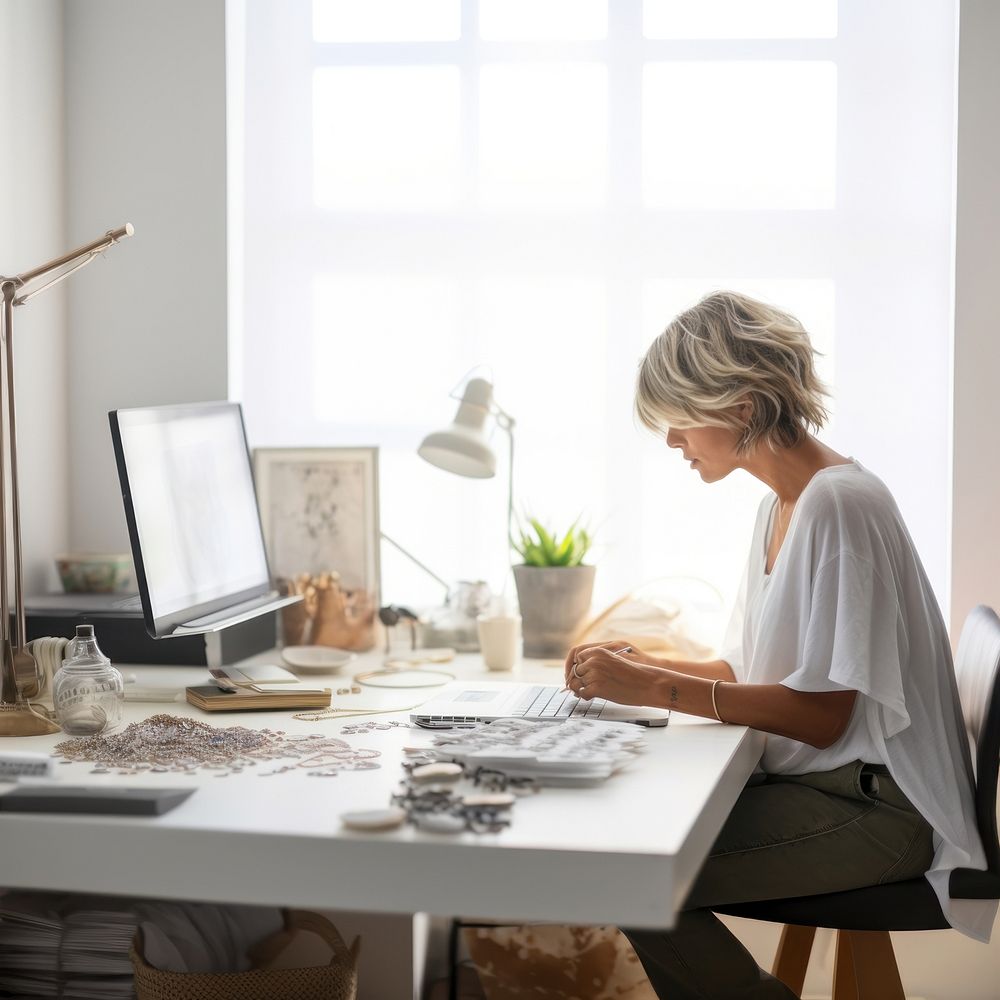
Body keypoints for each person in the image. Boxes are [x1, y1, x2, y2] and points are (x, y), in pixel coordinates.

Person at [564, 291, 996, 999]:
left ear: (738, 405)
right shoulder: (782, 504)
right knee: (629, 847)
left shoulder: (840, 504)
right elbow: (750, 669)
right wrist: (645, 670)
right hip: (837, 789)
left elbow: (822, 715)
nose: (671, 440)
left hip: (880, 813)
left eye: (678, 417)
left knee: (627, 870)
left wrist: (656, 690)